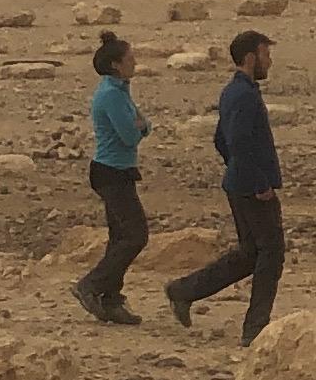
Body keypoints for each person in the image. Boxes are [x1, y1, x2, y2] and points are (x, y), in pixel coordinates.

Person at [166, 30, 283, 343]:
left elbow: (221, 139)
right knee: (271, 254)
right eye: (265, 54)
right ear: (250, 58)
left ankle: (183, 290)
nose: (269, 61)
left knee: (250, 254)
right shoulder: (244, 95)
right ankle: (255, 328)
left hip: (240, 182)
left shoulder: (235, 91)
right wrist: (257, 181)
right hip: (252, 188)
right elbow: (238, 141)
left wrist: (236, 168)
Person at [72, 32, 150, 325]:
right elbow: (131, 135)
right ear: (116, 64)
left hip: (120, 170)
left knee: (120, 237)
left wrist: (140, 126)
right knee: (135, 236)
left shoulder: (120, 90)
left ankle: (111, 298)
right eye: (130, 59)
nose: (135, 63)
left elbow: (144, 125)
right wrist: (140, 127)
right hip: (111, 172)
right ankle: (91, 285)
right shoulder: (110, 95)